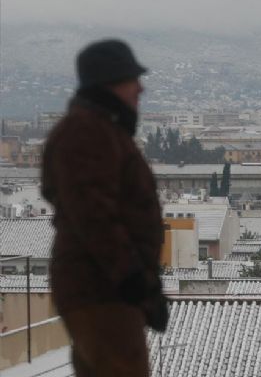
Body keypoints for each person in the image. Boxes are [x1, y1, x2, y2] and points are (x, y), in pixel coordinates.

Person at [41, 39, 168, 377]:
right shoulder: (87, 133)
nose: (140, 88)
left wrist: (144, 285)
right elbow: (93, 213)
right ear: (109, 83)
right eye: (131, 79)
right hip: (101, 290)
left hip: (102, 288)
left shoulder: (99, 130)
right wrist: (133, 279)